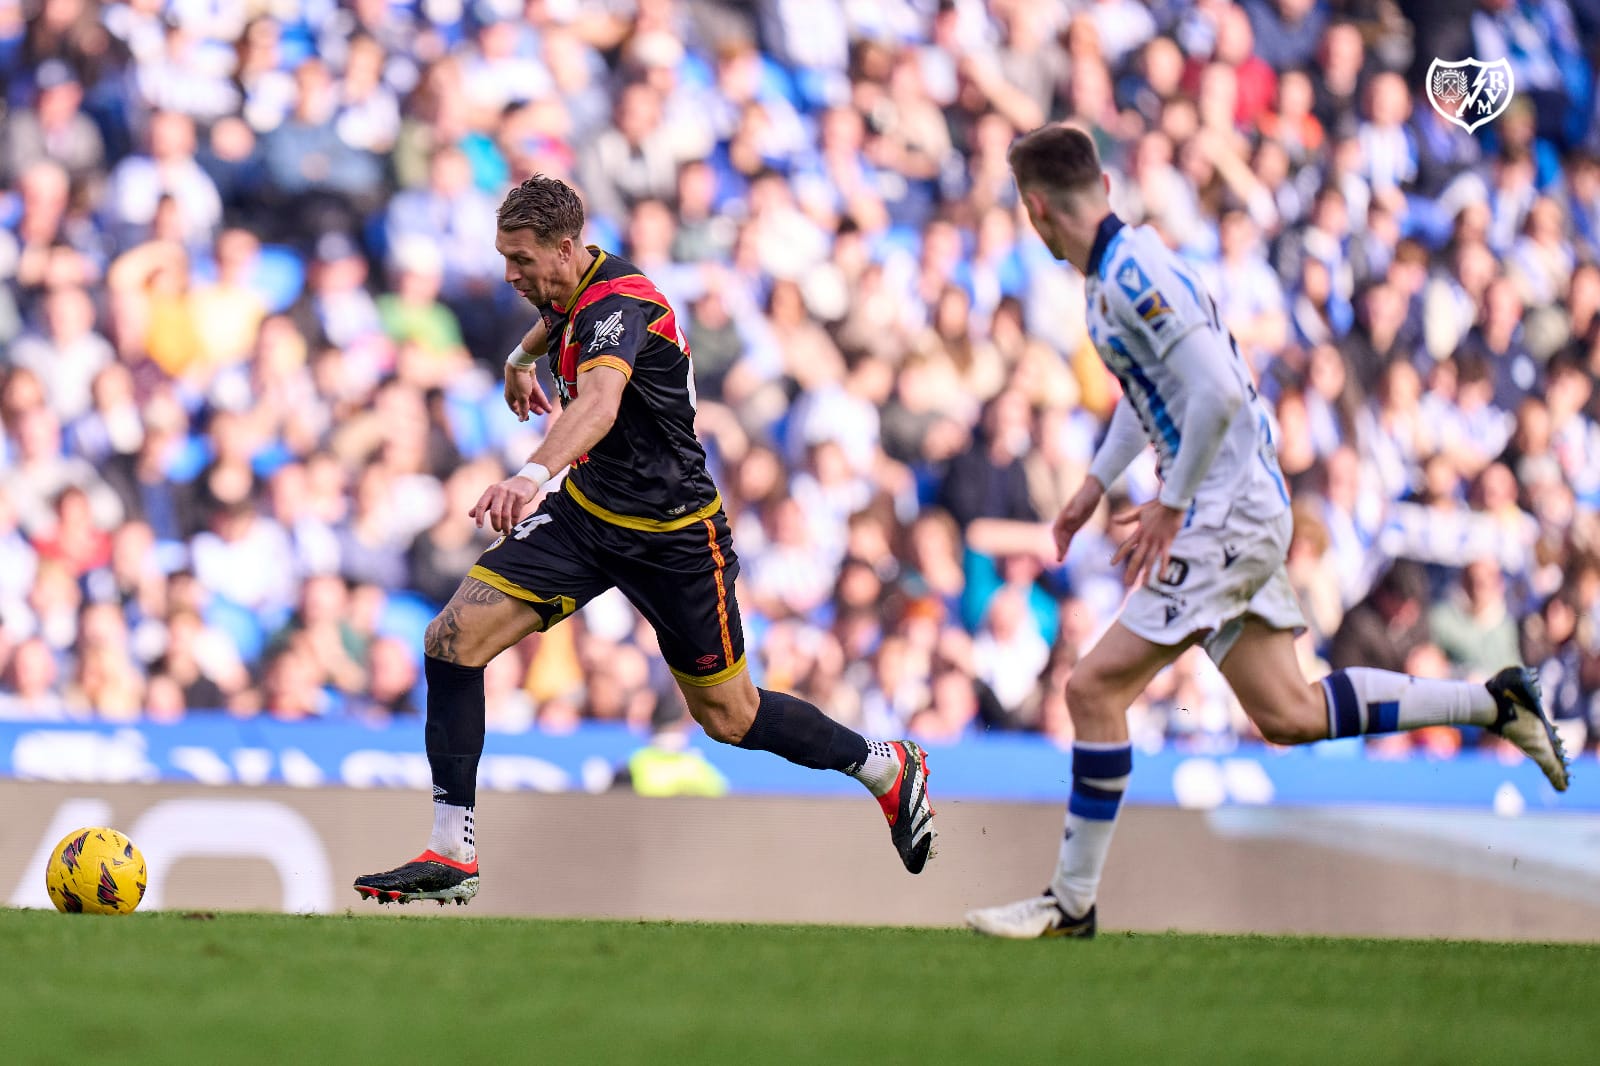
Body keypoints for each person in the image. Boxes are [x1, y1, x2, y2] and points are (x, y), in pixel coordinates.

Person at [964, 125, 1569, 940]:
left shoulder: (1132, 277)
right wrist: (1091, 487)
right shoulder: (1125, 268)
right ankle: (1496, 701)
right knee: (1287, 713)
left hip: (1221, 515)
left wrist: (1173, 504)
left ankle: (1071, 903)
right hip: (1236, 507)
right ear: (1103, 187)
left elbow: (1214, 393)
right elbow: (1155, 392)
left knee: (1091, 690)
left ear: (1036, 211)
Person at [354, 176, 936, 905]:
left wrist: (529, 473)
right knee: (451, 640)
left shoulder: (621, 302)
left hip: (675, 535)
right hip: (589, 517)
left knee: (731, 717)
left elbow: (598, 402)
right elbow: (556, 315)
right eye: (505, 258)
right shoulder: (571, 287)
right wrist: (518, 359)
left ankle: (883, 765)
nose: (510, 274)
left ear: (565, 249)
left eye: (521, 259)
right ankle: (452, 852)